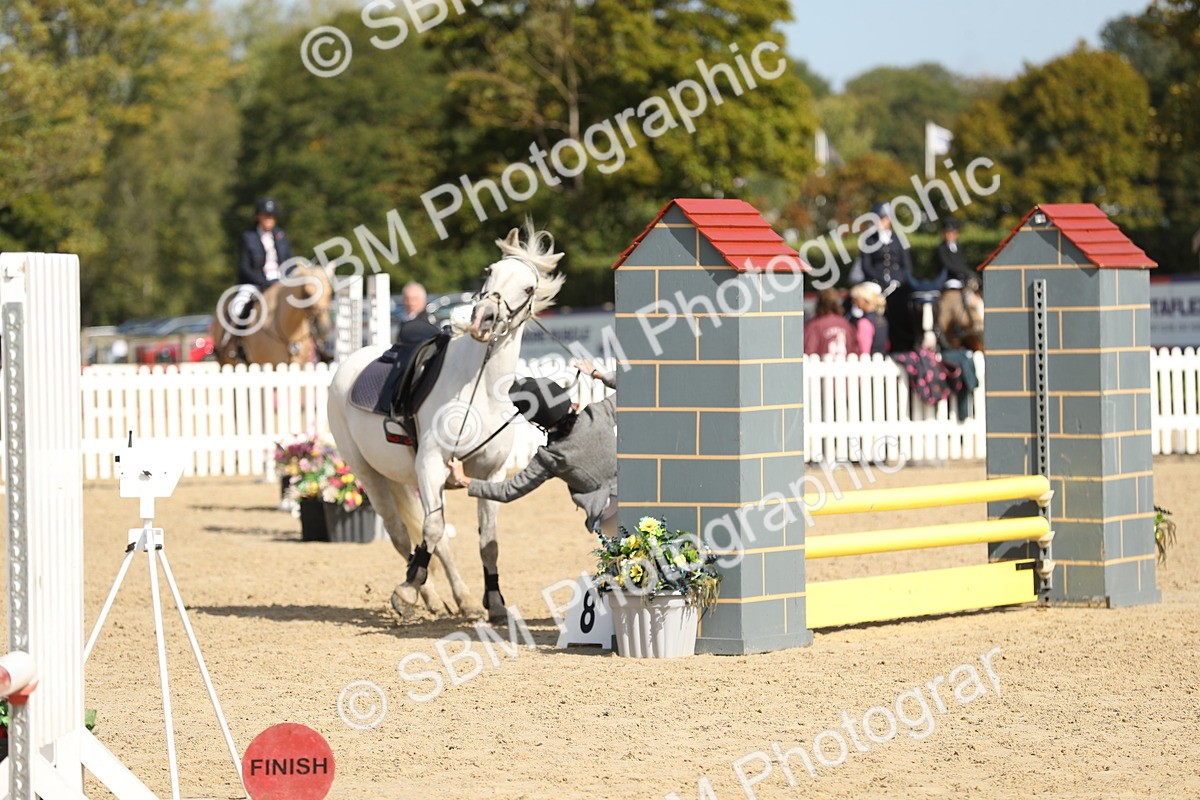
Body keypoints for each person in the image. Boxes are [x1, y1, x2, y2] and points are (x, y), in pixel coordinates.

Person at [447, 360, 619, 537]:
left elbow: (507, 491)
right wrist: (597, 374)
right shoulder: (597, 414)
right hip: (640, 495)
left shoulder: (550, 457)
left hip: (607, 516)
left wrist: (463, 479)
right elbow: (632, 388)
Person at [859, 202, 914, 352]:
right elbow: (866, 266)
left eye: (883, 219)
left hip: (897, 284)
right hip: (876, 283)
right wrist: (882, 281)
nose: (881, 222)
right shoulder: (868, 240)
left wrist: (898, 280)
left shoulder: (899, 240)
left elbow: (906, 265)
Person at [231, 198, 292, 325]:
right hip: (255, 283)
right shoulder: (248, 237)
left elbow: (289, 261)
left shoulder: (281, 236)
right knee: (237, 308)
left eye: (272, 216)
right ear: (258, 216)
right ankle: (233, 339)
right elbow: (244, 267)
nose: (270, 219)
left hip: (280, 280)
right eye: (266, 216)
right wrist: (262, 282)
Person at [804, 288, 861, 357]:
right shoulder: (846, 324)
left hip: (821, 366)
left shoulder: (814, 325)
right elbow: (855, 349)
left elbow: (809, 350)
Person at [847, 282, 888, 355]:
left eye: (856, 299)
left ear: (864, 300)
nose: (853, 302)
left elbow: (864, 350)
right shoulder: (882, 318)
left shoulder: (864, 322)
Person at [933, 217, 975, 288]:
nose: (950, 235)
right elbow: (947, 265)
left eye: (952, 233)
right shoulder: (940, 248)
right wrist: (964, 272)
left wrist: (969, 273)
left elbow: (962, 263)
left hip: (962, 277)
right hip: (948, 278)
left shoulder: (959, 246)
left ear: (956, 233)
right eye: (947, 233)